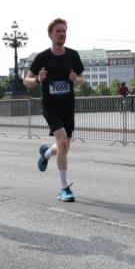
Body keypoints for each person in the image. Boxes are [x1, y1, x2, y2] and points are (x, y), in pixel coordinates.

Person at [24, 18, 85, 202]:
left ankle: (46, 153)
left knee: (64, 145)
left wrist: (76, 78)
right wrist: (37, 80)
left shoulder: (73, 55)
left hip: (68, 106)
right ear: (50, 34)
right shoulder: (42, 58)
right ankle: (64, 188)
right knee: (62, 140)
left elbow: (82, 80)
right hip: (50, 107)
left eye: (64, 31)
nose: (62, 34)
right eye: (58, 31)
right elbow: (26, 81)